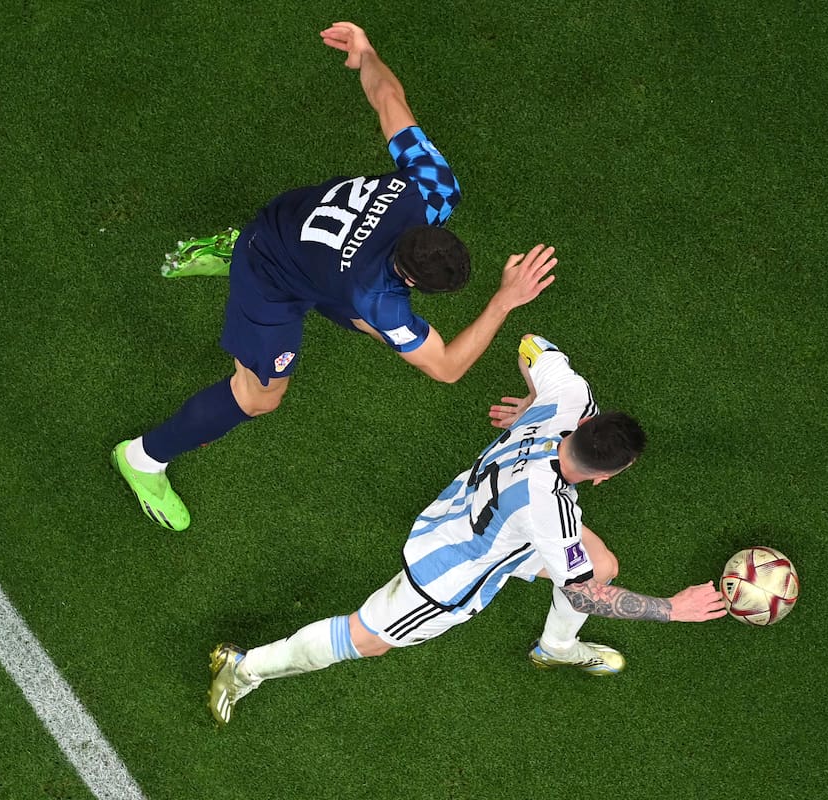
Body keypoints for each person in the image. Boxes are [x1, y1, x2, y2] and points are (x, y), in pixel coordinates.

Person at [112, 22, 557, 531]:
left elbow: (388, 97)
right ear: (411, 282)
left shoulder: (431, 188)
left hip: (292, 223)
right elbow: (447, 367)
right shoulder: (378, 298)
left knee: (361, 314)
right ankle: (143, 459)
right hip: (273, 272)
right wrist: (504, 299)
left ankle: (240, 245)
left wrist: (366, 53)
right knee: (261, 395)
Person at [206, 334, 727, 725]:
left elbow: (531, 345)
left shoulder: (569, 396)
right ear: (608, 475)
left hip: (495, 515)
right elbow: (585, 596)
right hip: (450, 569)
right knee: (367, 639)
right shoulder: (554, 512)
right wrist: (671, 609)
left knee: (603, 566)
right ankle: (247, 668)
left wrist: (531, 408)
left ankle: (556, 648)